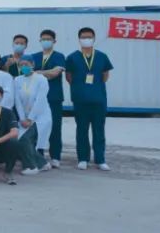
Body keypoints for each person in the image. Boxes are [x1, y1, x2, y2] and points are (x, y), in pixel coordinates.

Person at [65, 27, 113, 171]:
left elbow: (105, 76)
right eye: (84, 37)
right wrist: (81, 88)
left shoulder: (102, 56)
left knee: (99, 130)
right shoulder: (72, 57)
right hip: (80, 100)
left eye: (89, 37)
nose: (87, 39)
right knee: (82, 130)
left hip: (99, 100)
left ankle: (100, 159)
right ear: (79, 39)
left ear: (94, 38)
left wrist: (94, 88)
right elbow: (69, 77)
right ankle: (83, 159)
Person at [33, 29, 67, 168]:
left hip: (54, 97)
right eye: (43, 39)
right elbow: (30, 73)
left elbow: (55, 73)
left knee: (55, 127)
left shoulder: (59, 56)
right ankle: (38, 154)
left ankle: (55, 156)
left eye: (48, 39)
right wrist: (47, 72)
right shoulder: (34, 56)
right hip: (37, 98)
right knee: (38, 127)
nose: (46, 41)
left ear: (54, 41)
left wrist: (37, 72)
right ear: (40, 41)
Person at [14, 55, 52, 174]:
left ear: (32, 65)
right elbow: (17, 101)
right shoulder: (17, 80)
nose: (24, 67)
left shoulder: (41, 79)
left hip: (40, 118)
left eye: (26, 64)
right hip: (24, 118)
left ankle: (31, 167)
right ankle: (42, 163)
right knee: (18, 139)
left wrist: (30, 119)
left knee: (24, 140)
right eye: (21, 65)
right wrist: (22, 118)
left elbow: (40, 100)